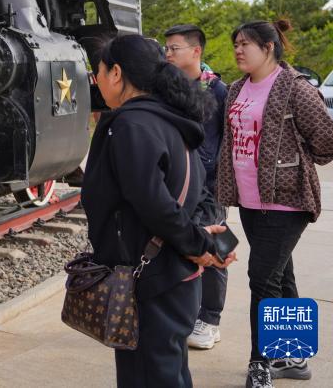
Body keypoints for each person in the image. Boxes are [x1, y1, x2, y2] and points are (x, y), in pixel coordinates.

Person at [84, 34, 233, 388]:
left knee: (149, 376)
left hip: (150, 280)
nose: (97, 80)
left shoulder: (130, 125)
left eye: (99, 71)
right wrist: (201, 242)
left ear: (116, 73)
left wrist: (199, 245)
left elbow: (153, 203)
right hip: (174, 275)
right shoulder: (173, 120)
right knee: (169, 372)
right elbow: (199, 194)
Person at [215, 20, 333, 388]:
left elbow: (328, 143)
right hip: (250, 200)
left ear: (269, 47)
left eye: (246, 44)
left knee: (262, 279)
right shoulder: (236, 89)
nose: (238, 50)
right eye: (236, 43)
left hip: (286, 202)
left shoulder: (296, 89)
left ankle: (260, 364)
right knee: (280, 275)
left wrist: (289, 164)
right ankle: (294, 355)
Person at [164, 24, 230, 350]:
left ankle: (210, 320)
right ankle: (193, 315)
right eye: (166, 48)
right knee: (193, 244)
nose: (168, 54)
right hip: (182, 182)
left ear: (196, 51)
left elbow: (226, 140)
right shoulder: (171, 87)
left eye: (174, 48)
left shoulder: (217, 90)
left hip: (211, 185)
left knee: (215, 245)